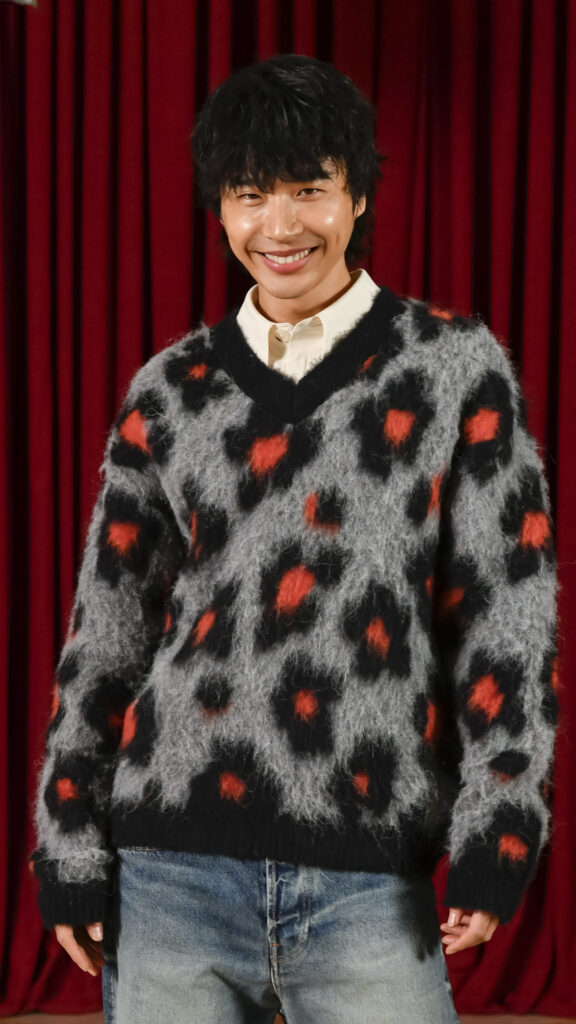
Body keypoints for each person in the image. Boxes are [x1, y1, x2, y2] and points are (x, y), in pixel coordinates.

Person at [29, 53, 560, 1024]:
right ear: (222, 211)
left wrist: (500, 831)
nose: (280, 225)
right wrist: (68, 840)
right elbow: (105, 635)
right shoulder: (169, 389)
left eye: (310, 189)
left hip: (370, 875)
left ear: (358, 196)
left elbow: (507, 619)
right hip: (170, 870)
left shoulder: (454, 368)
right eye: (250, 194)